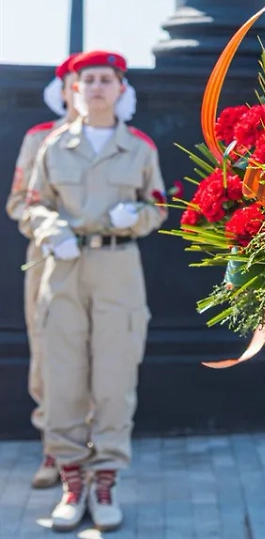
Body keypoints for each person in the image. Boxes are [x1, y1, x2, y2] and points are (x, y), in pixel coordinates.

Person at [21, 49, 165, 532]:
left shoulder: (141, 149)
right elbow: (34, 203)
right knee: (62, 378)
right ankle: (71, 481)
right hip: (63, 269)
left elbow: (158, 206)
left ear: (121, 89)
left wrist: (137, 217)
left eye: (106, 79)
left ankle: (104, 480)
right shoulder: (53, 147)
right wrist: (49, 230)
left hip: (117, 268)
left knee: (114, 379)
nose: (97, 87)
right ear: (74, 91)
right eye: (89, 81)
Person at [6, 54, 79, 488]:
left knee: (102, 356)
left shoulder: (125, 141)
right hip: (50, 264)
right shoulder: (40, 138)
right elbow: (20, 201)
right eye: (77, 81)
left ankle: (93, 451)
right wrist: (48, 229)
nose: (86, 90)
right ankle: (54, 450)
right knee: (49, 358)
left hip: (104, 264)